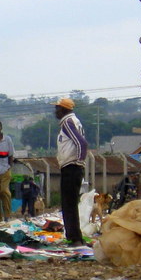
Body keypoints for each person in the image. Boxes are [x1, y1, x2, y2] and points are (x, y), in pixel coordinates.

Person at [54, 96, 88, 247]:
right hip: (72, 166)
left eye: (57, 108)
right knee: (70, 203)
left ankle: (74, 239)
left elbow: (81, 142)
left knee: (69, 204)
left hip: (71, 167)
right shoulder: (73, 121)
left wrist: (79, 160)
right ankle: (75, 237)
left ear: (64, 109)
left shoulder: (68, 122)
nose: (55, 111)